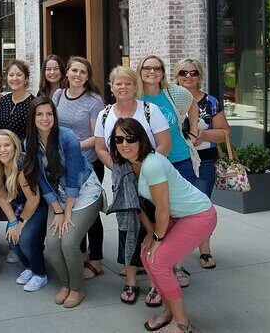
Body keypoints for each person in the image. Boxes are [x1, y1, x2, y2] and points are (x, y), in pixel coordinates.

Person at [110, 118, 217, 333]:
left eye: (130, 138)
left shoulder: (152, 164)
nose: (124, 144)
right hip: (178, 217)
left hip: (199, 215)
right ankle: (169, 311)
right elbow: (136, 205)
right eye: (119, 139)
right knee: (146, 256)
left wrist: (158, 238)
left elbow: (162, 207)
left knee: (158, 262)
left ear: (141, 139)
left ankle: (181, 322)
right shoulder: (126, 165)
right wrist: (150, 233)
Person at [94, 65, 171, 305]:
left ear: (135, 86)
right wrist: (121, 170)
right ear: (111, 87)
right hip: (123, 181)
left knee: (156, 228)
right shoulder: (105, 114)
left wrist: (144, 170)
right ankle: (131, 280)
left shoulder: (149, 110)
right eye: (118, 83)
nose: (123, 87)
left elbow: (164, 143)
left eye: (128, 83)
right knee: (127, 228)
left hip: (151, 179)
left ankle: (157, 282)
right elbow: (100, 148)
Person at [26, 97, 102, 307]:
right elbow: (42, 180)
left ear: (55, 116)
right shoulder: (29, 142)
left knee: (68, 243)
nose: (45, 118)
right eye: (39, 114)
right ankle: (66, 284)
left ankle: (76, 289)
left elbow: (74, 177)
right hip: (58, 197)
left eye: (49, 114)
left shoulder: (67, 137)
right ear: (32, 118)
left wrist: (67, 211)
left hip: (84, 192)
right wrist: (58, 211)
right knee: (52, 244)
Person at [138, 55, 200, 288]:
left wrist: (193, 129)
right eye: (147, 68)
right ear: (140, 71)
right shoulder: (136, 96)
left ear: (163, 72)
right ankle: (158, 262)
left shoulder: (174, 94)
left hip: (179, 159)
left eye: (157, 68)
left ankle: (177, 264)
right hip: (151, 166)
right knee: (159, 214)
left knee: (179, 215)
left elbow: (193, 103)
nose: (152, 71)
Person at [52, 56, 105, 280]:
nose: (78, 75)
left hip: (88, 164)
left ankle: (97, 259)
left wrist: (72, 147)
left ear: (87, 76)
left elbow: (97, 137)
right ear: (67, 72)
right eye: (74, 70)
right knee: (71, 208)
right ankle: (81, 252)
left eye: (83, 72)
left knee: (90, 213)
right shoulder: (58, 95)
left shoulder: (94, 101)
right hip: (63, 164)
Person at [174, 58, 229, 269]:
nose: (188, 76)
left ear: (200, 76)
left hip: (204, 162)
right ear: (176, 76)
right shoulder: (168, 100)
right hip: (175, 162)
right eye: (183, 73)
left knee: (202, 207)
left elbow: (224, 133)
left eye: (193, 72)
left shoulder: (211, 102)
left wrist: (204, 134)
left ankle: (204, 250)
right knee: (174, 208)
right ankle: (175, 254)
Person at [0, 129, 48, 292]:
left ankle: (40, 274)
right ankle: (31, 267)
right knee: (12, 238)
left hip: (39, 205)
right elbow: (1, 197)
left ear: (15, 147)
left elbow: (34, 200)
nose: (2, 150)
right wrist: (13, 222)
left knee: (26, 239)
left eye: (7, 145)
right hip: (19, 206)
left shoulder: (23, 167)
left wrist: (21, 223)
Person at [0, 59, 35, 144]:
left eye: (19, 75)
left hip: (24, 149)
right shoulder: (4, 100)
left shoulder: (33, 103)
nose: (14, 78)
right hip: (4, 149)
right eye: (11, 75)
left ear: (26, 79)